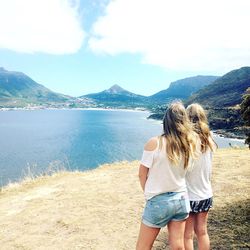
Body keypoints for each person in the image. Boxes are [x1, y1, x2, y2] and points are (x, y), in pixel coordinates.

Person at [136, 101, 199, 250]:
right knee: (178, 246)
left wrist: (149, 194)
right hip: (181, 199)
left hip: (158, 200)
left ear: (166, 121)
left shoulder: (154, 143)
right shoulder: (189, 144)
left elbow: (141, 174)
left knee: (143, 246)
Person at [184, 103, 217, 250]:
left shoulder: (187, 139)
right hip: (206, 193)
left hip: (189, 195)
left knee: (188, 235)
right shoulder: (209, 138)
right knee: (202, 232)